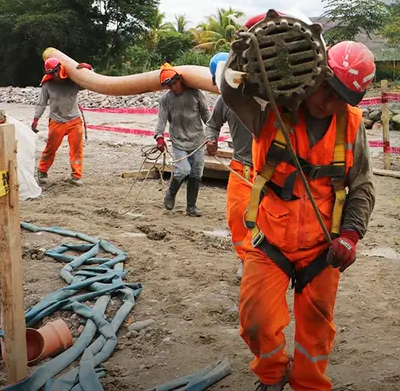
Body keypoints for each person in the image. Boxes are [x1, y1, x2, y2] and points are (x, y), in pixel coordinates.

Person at [220, 32, 377, 391]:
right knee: (255, 321)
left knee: (317, 332)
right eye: (328, 89)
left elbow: (363, 186)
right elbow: (230, 92)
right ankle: (273, 374)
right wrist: (240, 52)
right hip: (269, 239)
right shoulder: (271, 109)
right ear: (317, 74)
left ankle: (308, 384)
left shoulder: (352, 125)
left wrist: (350, 237)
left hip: (323, 248)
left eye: (343, 98)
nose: (330, 102)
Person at [203, 52, 253, 281]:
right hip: (241, 167)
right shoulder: (224, 101)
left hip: (272, 169)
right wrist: (210, 140)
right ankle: (245, 259)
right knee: (238, 216)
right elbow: (212, 126)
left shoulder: (263, 95)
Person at [154, 62, 211, 216]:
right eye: (169, 86)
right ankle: (170, 194)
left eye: (173, 84)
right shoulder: (166, 99)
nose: (172, 88)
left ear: (179, 81)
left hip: (198, 141)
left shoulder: (196, 94)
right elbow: (161, 120)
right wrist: (159, 137)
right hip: (179, 141)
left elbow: (206, 115)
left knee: (196, 173)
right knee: (182, 171)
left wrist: (213, 133)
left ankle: (191, 207)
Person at [33, 58, 92, 186]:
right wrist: (35, 119)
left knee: (77, 150)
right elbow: (41, 103)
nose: (55, 75)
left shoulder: (73, 81)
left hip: (74, 120)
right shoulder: (47, 85)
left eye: (56, 71)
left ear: (60, 68)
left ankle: (76, 176)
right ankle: (42, 171)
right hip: (57, 121)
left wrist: (88, 68)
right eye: (51, 73)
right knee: (51, 148)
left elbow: (90, 82)